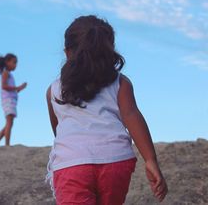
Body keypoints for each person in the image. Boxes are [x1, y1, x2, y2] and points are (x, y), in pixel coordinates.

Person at [46, 15, 168, 205]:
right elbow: (131, 116)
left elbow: (58, 129)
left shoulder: (54, 89)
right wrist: (150, 160)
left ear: (68, 52)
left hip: (72, 165)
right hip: (116, 161)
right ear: (110, 50)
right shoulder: (121, 83)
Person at [0, 53, 27, 147]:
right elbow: (4, 86)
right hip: (8, 100)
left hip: (11, 100)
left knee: (9, 123)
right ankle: (7, 145)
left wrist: (20, 88)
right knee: (9, 122)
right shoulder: (5, 73)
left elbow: (12, 90)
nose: (15, 65)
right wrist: (17, 87)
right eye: (14, 62)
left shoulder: (9, 74)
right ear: (7, 62)